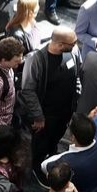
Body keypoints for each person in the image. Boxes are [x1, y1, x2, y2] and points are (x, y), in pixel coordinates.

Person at [18, 26, 83, 159]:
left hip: (65, 113)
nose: (76, 44)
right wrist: (38, 116)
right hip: (46, 116)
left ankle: (51, 154)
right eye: (73, 43)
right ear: (60, 45)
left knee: (55, 139)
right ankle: (37, 165)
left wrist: (77, 91)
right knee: (40, 146)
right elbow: (28, 90)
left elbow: (77, 73)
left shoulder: (73, 51)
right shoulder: (36, 59)